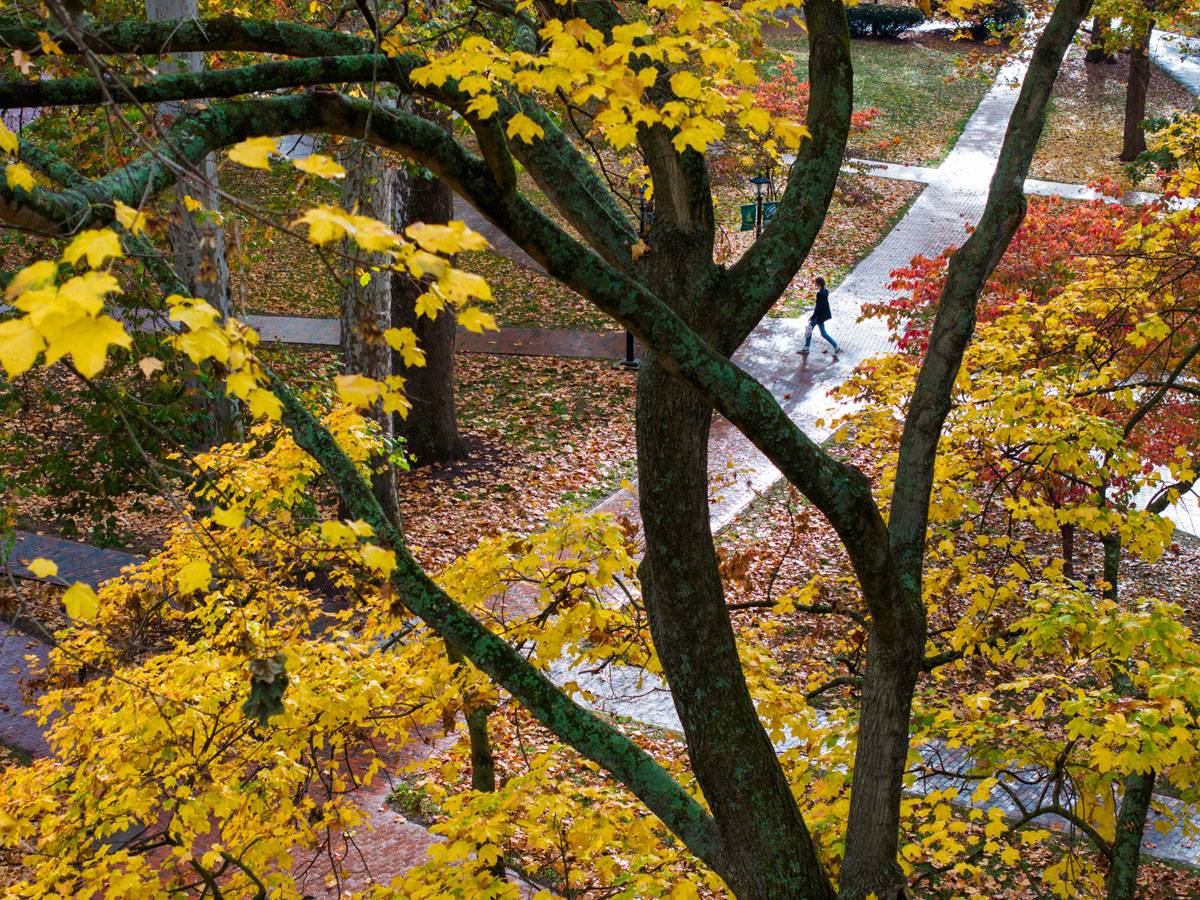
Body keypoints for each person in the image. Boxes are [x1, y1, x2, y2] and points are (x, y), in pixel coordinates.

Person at [800, 276, 839, 355]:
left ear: (819, 284)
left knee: (809, 329)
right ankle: (836, 346)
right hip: (821, 316)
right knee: (823, 333)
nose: (815, 285)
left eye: (815, 284)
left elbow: (818, 307)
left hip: (818, 317)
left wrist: (813, 316)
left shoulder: (820, 294)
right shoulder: (825, 291)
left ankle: (806, 348)